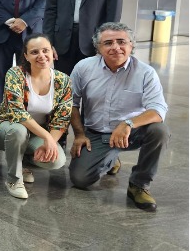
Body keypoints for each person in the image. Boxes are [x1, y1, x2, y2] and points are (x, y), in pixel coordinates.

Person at [69, 22, 169, 211]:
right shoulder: (83, 68)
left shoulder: (146, 73)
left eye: (121, 41)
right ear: (98, 48)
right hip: (96, 133)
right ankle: (110, 158)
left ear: (131, 45)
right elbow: (71, 104)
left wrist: (128, 123)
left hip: (132, 132)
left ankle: (139, 185)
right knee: (80, 179)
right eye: (108, 43)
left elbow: (158, 109)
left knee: (159, 131)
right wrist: (80, 134)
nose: (116, 47)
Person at [0, 33, 71, 199]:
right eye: (34, 52)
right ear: (25, 55)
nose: (41, 56)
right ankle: (14, 180)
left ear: (52, 52)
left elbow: (62, 119)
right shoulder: (15, 74)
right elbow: (17, 113)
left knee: (56, 161)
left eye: (45, 50)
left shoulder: (63, 80)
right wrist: (46, 136)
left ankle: (22, 160)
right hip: (6, 127)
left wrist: (50, 142)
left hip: (36, 133)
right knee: (19, 131)